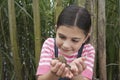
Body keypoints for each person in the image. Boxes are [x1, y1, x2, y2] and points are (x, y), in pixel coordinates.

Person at [36, 5, 95, 80]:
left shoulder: (88, 51)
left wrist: (76, 74)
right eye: (62, 37)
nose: (66, 45)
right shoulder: (49, 44)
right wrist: (53, 73)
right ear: (56, 29)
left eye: (75, 40)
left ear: (85, 38)